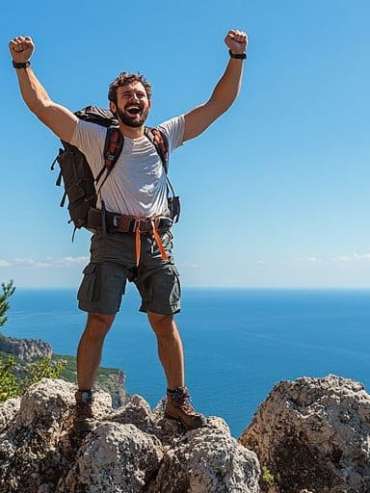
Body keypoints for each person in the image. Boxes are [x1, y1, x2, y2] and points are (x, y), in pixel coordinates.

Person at [9, 29, 248, 433]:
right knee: (98, 321)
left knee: (164, 321)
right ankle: (83, 404)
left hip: (157, 241)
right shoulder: (95, 137)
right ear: (113, 104)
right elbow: (42, 105)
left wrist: (237, 57)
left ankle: (176, 400)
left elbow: (218, 104)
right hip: (111, 241)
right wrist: (22, 65)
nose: (134, 100)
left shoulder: (164, 137)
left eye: (140, 95)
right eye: (126, 95)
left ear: (149, 103)